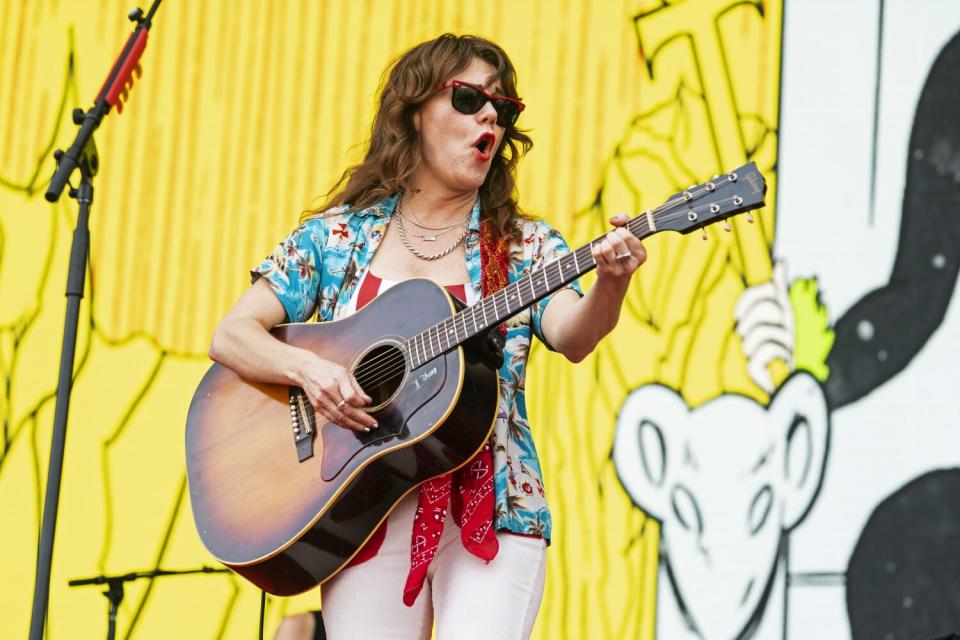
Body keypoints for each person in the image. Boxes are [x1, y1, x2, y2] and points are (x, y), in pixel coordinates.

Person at [210, 33, 645, 640]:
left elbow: (572, 336)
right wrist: (310, 372)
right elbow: (232, 335)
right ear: (414, 111)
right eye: (469, 98)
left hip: (494, 507)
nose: (491, 113)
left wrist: (612, 283)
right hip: (362, 512)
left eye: (504, 107)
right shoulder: (339, 239)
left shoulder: (523, 246)